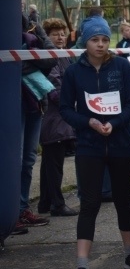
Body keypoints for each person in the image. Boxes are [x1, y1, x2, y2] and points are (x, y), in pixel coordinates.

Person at [60, 17, 130, 269]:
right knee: (89, 204)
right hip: (89, 145)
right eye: (95, 39)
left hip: (120, 143)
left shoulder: (121, 66)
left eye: (105, 39)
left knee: (123, 200)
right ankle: (82, 267)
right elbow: (65, 109)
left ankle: (129, 255)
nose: (100, 44)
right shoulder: (74, 72)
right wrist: (89, 123)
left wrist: (115, 123)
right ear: (85, 42)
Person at [18, 13, 57, 234]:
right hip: (14, 103)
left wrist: (39, 30)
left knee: (28, 158)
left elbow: (49, 59)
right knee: (14, 159)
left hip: (33, 102)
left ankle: (21, 208)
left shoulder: (30, 29)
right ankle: (9, 212)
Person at [37, 18, 78, 217]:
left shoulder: (64, 56)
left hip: (59, 117)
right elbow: (55, 87)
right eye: (55, 34)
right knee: (55, 165)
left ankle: (45, 202)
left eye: (62, 33)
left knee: (49, 164)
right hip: (54, 118)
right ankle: (57, 204)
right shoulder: (51, 58)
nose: (60, 37)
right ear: (47, 37)